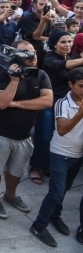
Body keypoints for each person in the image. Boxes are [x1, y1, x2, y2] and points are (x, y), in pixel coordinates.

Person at [0, 40, 52, 220]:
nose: (32, 57)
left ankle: (11, 195)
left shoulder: (41, 75)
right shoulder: (1, 76)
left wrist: (17, 104)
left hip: (24, 134)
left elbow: (47, 101)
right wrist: (14, 80)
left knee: (17, 169)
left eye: (33, 53)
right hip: (0, 132)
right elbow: (2, 103)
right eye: (26, 53)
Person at [29, 67, 83, 247]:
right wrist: (80, 113)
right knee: (56, 192)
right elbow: (62, 129)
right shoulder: (63, 103)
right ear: (71, 85)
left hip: (78, 155)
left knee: (64, 189)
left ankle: (55, 215)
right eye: (81, 86)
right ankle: (39, 225)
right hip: (61, 154)